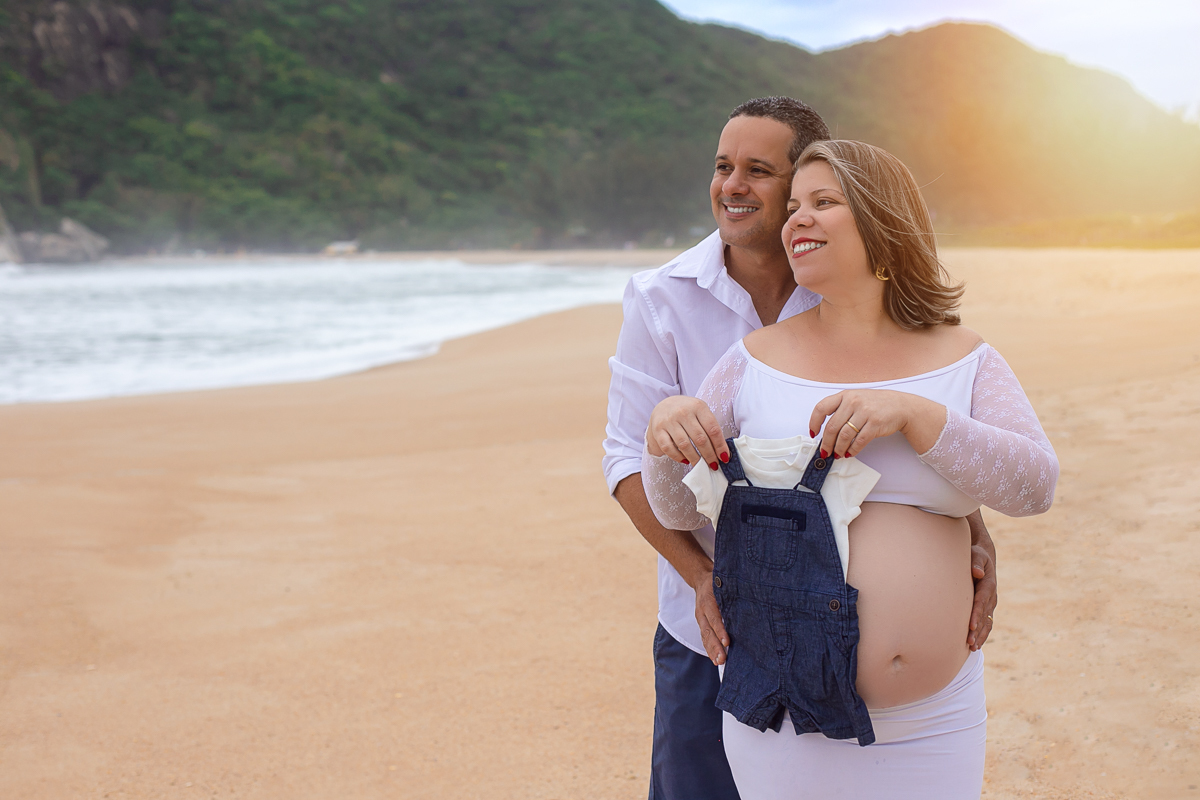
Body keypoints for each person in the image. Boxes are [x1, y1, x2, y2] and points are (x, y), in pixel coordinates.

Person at [601, 98, 1000, 800]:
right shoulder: (661, 299)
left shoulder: (848, 296)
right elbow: (627, 461)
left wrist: (968, 529)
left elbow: (902, 440)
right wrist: (701, 576)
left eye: (759, 170)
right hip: (717, 626)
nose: (733, 186)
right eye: (724, 167)